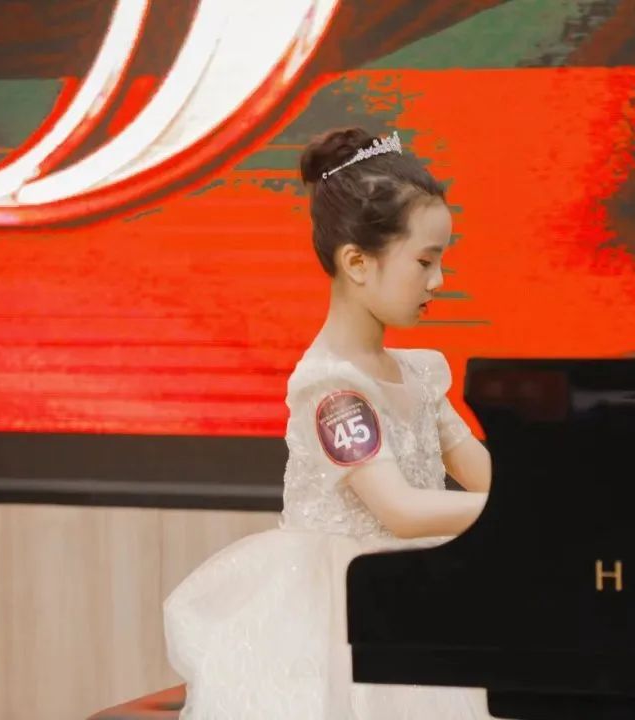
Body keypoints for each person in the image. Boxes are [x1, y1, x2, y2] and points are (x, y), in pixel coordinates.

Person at [163, 127, 496, 718]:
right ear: (357, 262)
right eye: (425, 261)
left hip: (418, 589)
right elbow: (400, 509)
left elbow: (482, 471)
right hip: (346, 616)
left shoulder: (419, 373)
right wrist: (519, 512)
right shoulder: (332, 389)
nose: (439, 281)